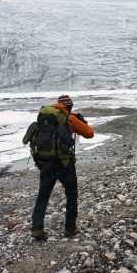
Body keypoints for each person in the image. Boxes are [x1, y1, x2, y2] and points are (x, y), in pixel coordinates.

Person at [31, 94, 94, 240]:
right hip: (65, 164)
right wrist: (79, 122)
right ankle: (70, 228)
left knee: (43, 195)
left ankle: (37, 227)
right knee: (71, 196)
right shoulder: (69, 119)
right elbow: (90, 134)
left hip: (45, 163)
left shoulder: (44, 117)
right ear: (69, 107)